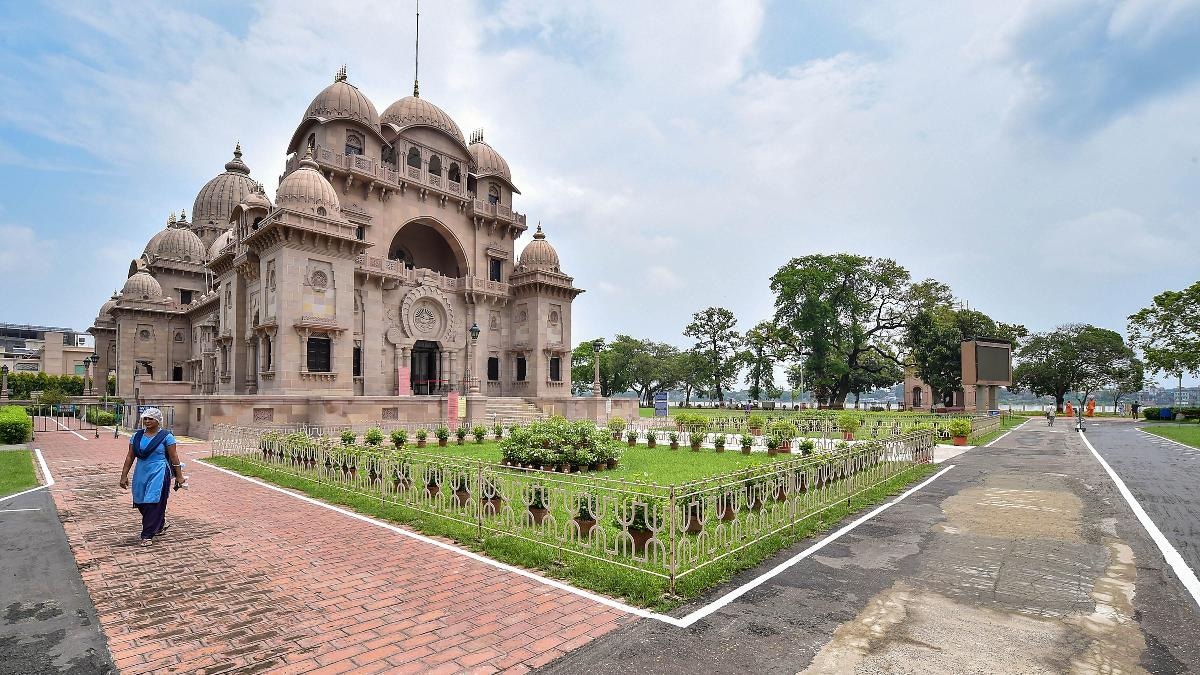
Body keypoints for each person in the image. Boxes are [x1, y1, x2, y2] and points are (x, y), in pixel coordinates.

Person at [118, 408, 185, 546]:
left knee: (152, 501)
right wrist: (123, 475)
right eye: (145, 419)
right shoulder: (136, 436)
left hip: (159, 471)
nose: (147, 421)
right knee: (140, 500)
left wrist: (179, 476)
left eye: (150, 419)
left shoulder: (166, 437)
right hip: (141, 470)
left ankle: (147, 535)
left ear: (158, 420)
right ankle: (159, 524)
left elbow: (174, 457)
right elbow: (130, 456)